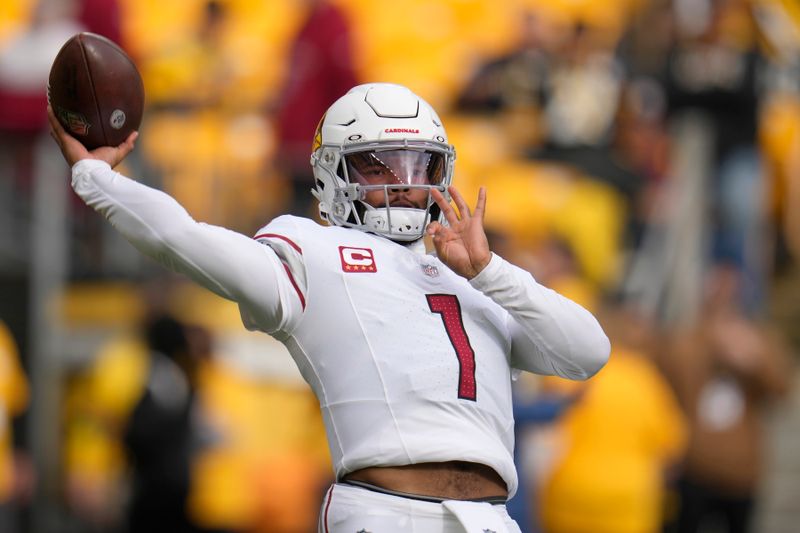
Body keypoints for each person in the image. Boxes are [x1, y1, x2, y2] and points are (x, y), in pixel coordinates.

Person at [48, 82, 610, 532]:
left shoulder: (476, 275)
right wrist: (97, 177)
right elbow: (185, 238)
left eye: (420, 166)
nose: (405, 186)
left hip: (490, 520)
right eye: (380, 166)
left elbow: (588, 351)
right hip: (386, 513)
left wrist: (491, 271)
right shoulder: (314, 252)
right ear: (332, 174)